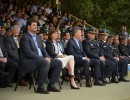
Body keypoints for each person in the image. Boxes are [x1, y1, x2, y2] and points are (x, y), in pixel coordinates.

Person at [19, 19, 62, 94]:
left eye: (36, 25)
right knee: (44, 62)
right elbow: (28, 53)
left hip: (41, 60)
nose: (36, 27)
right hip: (28, 61)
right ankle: (40, 87)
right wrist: (43, 58)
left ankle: (51, 85)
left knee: (58, 63)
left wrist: (47, 57)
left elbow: (43, 50)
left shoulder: (38, 37)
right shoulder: (24, 38)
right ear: (28, 27)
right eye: (33, 25)